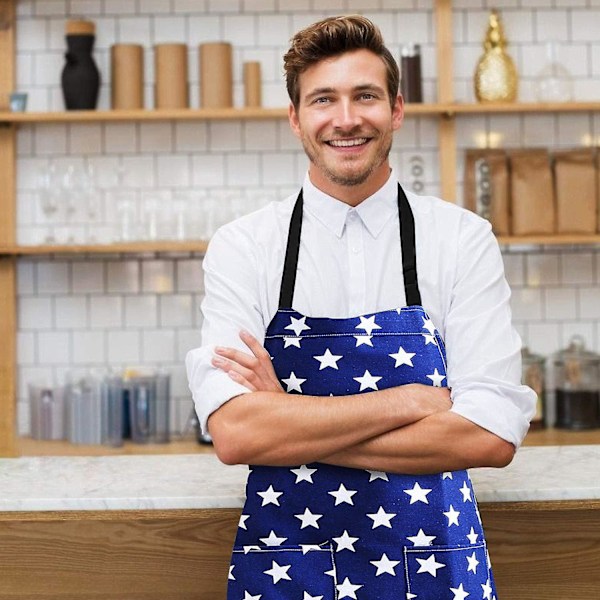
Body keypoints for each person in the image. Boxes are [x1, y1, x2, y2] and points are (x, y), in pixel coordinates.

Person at [186, 15, 535, 600]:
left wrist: (288, 416)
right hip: (289, 571)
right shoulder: (244, 245)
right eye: (324, 99)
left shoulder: (462, 239)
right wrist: (412, 402)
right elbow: (235, 433)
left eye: (365, 96)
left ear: (396, 109)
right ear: (296, 118)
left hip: (434, 568)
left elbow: (490, 435)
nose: (346, 119)